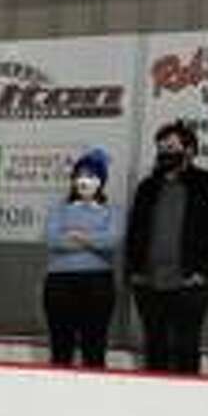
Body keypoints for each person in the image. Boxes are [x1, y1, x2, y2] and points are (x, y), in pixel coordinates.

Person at [124, 122, 208, 375]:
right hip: (149, 285)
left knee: (186, 348)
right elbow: (135, 232)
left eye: (172, 147)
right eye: (161, 148)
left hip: (190, 285)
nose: (165, 153)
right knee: (155, 348)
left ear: (190, 150)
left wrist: (203, 272)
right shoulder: (148, 187)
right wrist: (135, 271)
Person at [41, 149, 124, 368]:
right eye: (80, 176)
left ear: (101, 181)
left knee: (94, 347)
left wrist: (78, 236)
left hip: (99, 283)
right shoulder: (58, 209)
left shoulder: (112, 211)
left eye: (91, 176)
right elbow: (52, 239)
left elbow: (112, 240)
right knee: (61, 346)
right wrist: (93, 240)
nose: (84, 181)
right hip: (60, 283)